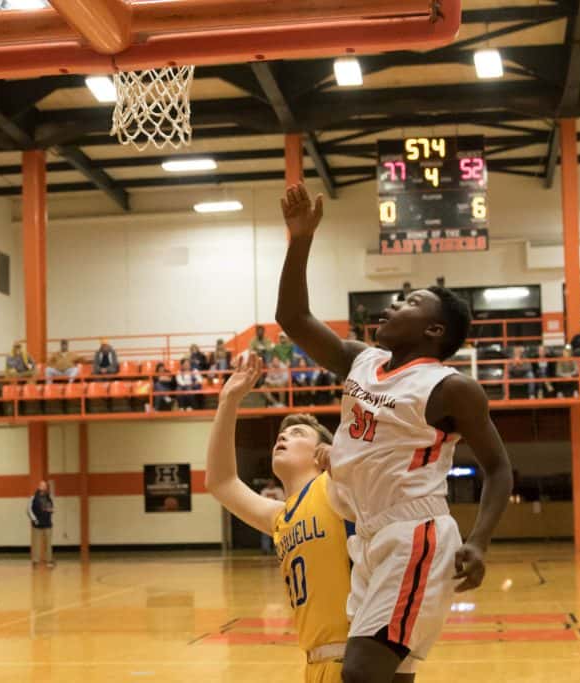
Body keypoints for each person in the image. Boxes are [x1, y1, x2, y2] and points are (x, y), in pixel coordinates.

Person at [276, 182, 512, 682]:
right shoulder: (360, 360)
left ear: (434, 330)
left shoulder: (450, 388)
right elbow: (292, 318)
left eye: (410, 302)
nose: (393, 306)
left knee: (360, 673)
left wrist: (480, 542)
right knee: (390, 676)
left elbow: (498, 468)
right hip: (367, 537)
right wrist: (300, 239)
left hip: (414, 534)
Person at [206, 354, 353, 682]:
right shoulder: (281, 516)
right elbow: (221, 482)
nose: (283, 437)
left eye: (297, 433)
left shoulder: (335, 488)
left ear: (320, 454)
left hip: (355, 659)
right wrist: (229, 401)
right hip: (315, 664)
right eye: (281, 436)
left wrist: (344, 461)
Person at [29, 480, 55, 568]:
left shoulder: (49, 498)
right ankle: (35, 561)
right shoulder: (33, 498)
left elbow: (51, 508)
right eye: (41, 485)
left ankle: (49, 561)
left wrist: (51, 510)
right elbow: (28, 510)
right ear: (39, 486)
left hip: (47, 524)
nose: (43, 487)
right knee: (36, 544)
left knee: (48, 544)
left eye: (44, 486)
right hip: (37, 525)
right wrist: (34, 520)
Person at [258, 477, 285, 555]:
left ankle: (279, 549)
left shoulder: (279, 490)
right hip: (267, 513)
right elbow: (261, 501)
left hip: (278, 514)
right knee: (265, 533)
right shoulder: (264, 491)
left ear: (274, 483)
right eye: (269, 482)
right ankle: (266, 549)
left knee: (279, 533)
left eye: (272, 482)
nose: (271, 483)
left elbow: (283, 500)